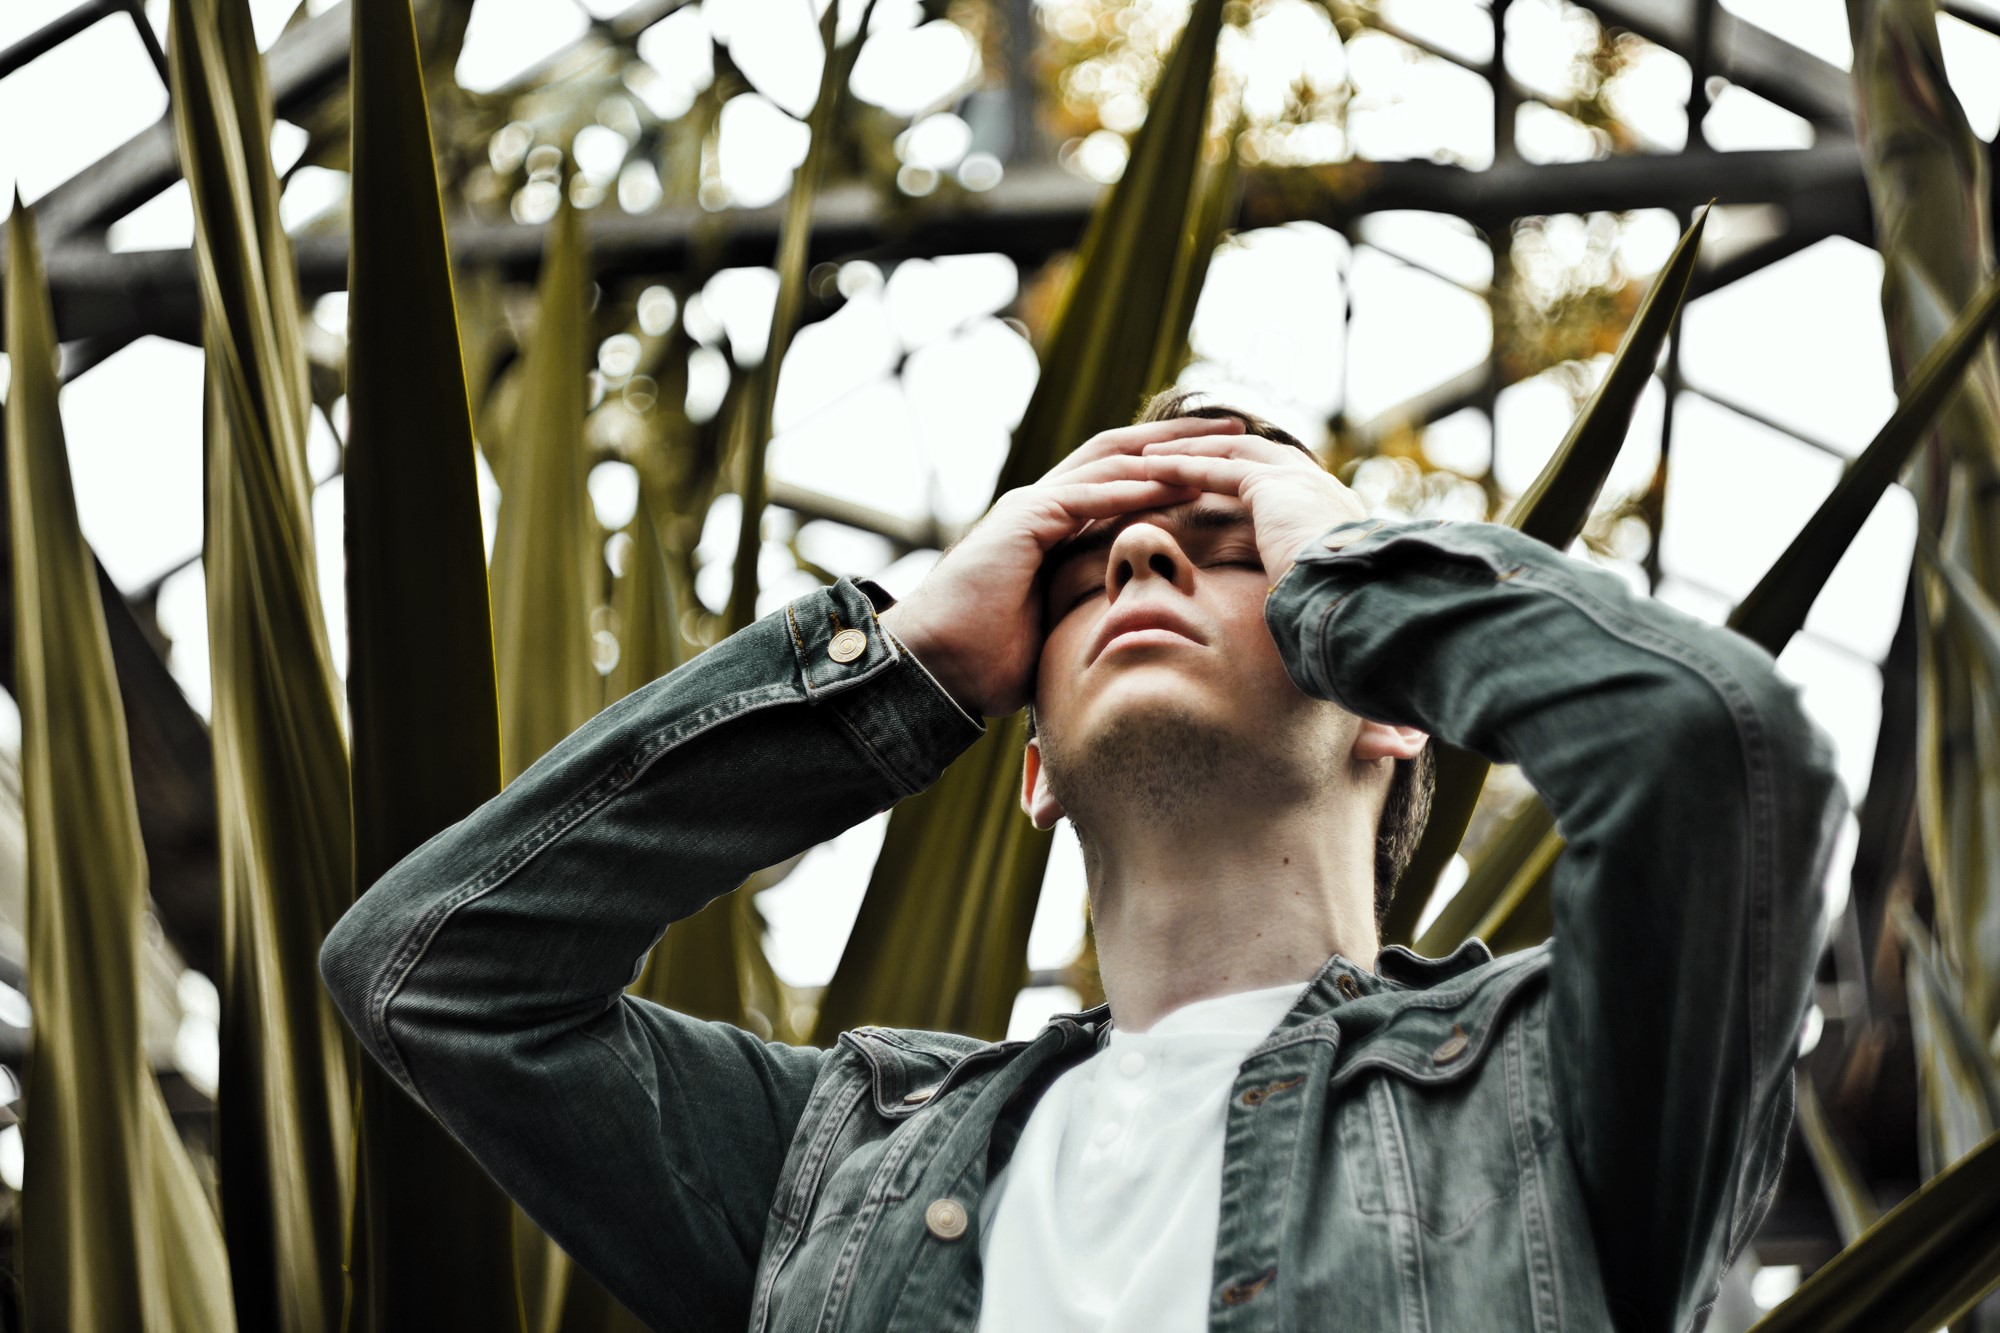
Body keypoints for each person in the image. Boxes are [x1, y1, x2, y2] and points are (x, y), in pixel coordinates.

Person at [320, 389, 1847, 1333]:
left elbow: (1718, 755)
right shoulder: (837, 1165)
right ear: (1031, 764)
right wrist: (901, 664)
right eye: (1080, 566)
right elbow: (436, 973)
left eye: (1228, 539)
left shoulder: (1548, 1083)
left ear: (1389, 712)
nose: (1135, 558)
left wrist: (1354, 566)